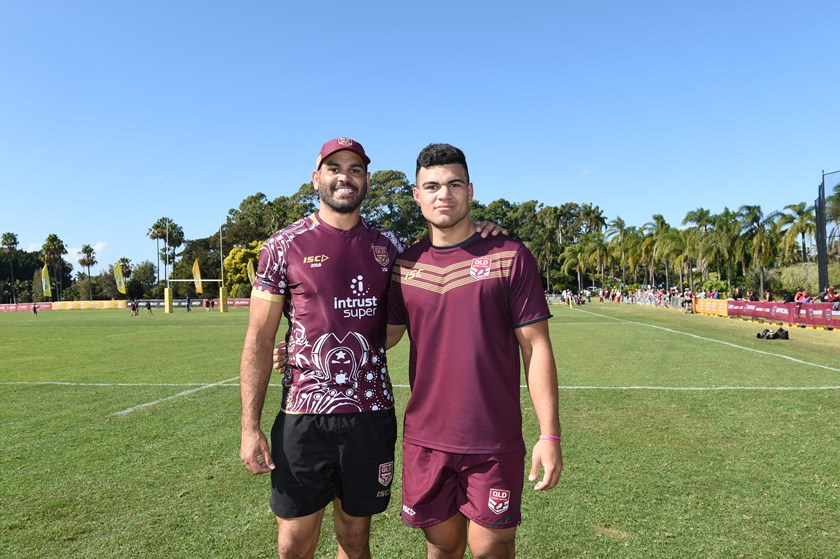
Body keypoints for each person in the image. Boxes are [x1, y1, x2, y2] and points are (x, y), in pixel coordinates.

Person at [241, 137, 502, 559]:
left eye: (355, 169)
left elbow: (429, 272)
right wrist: (249, 426)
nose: (345, 177)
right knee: (292, 545)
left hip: (369, 413)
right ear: (316, 178)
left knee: (355, 539)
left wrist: (484, 233)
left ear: (366, 180)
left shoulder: (391, 247)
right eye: (334, 168)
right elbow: (258, 338)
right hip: (303, 417)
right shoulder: (283, 245)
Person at [386, 143, 563, 558]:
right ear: (417, 195)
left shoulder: (509, 256)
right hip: (426, 439)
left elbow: (536, 346)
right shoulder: (404, 266)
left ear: (470, 191)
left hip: (493, 439)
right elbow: (383, 337)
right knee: (442, 546)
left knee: (491, 547)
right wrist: (306, 343)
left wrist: (549, 433)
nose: (443, 194)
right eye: (432, 186)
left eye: (454, 184)